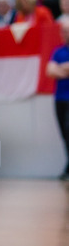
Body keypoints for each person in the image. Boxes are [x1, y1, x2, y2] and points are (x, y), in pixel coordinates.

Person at [45, 17, 69, 180]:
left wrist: (59, 68)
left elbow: (55, 69)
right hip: (59, 98)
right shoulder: (58, 51)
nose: (63, 34)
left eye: (66, 31)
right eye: (63, 31)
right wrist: (65, 69)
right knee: (64, 134)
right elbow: (50, 71)